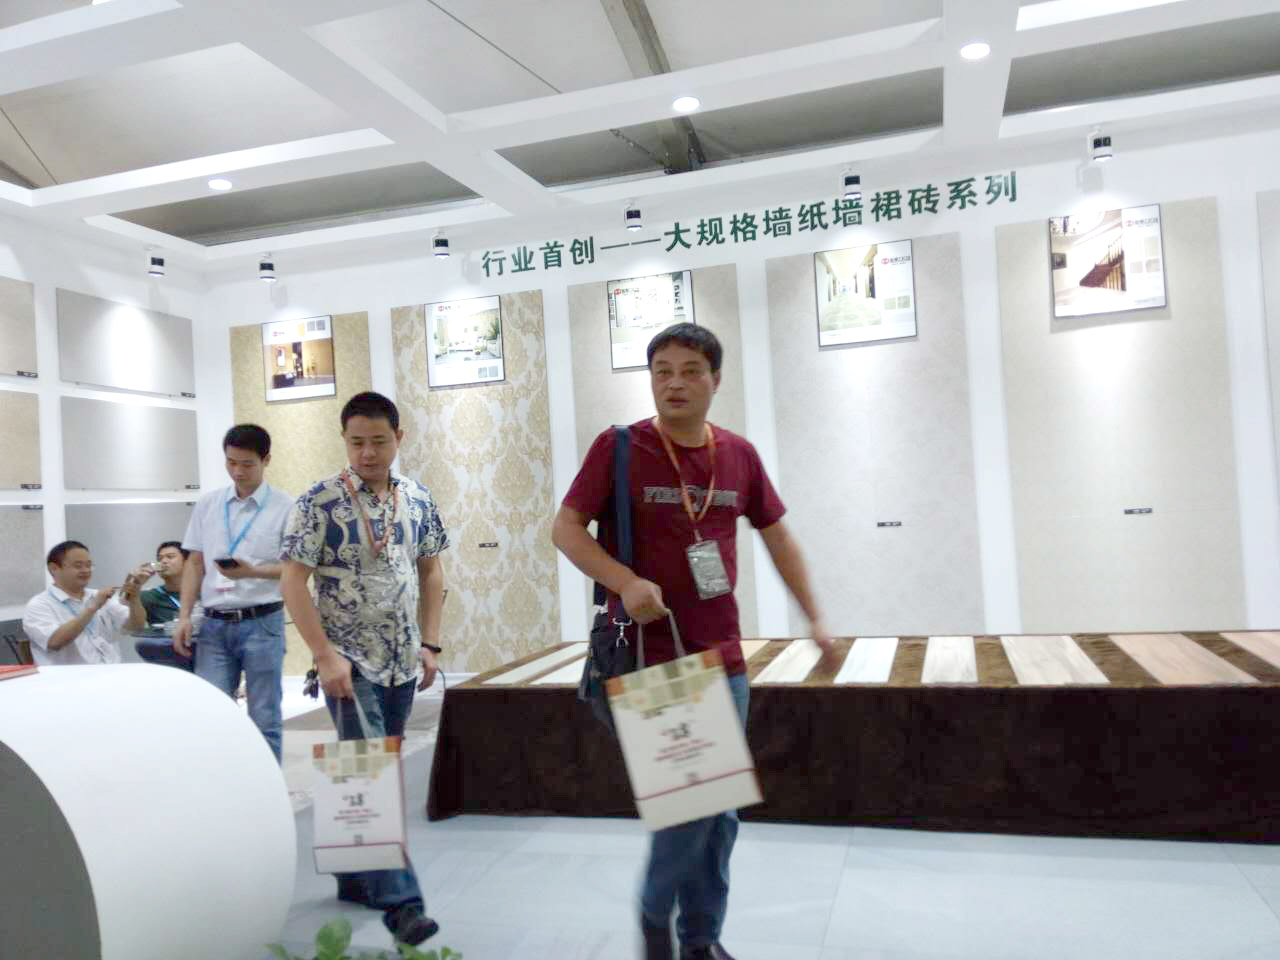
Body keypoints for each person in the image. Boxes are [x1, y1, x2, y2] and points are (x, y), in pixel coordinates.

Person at [551, 323, 835, 960]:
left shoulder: (738, 455)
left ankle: (701, 939)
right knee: (693, 803)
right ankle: (657, 918)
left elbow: (779, 537)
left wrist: (815, 618)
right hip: (653, 657)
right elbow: (565, 528)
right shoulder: (621, 448)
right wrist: (624, 581)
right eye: (662, 371)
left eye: (690, 371)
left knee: (720, 812)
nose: (674, 383)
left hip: (723, 657)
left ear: (716, 380)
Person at [280, 391, 448, 949]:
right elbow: (292, 582)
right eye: (357, 443)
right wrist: (323, 655)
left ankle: (355, 878)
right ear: (344, 441)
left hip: (403, 659)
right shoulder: (318, 501)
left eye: (379, 441)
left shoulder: (416, 497)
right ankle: (403, 905)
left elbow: (431, 571)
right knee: (370, 773)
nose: (368, 453)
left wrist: (431, 643)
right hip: (349, 661)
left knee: (372, 770)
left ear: (399, 438)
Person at [173, 424, 293, 762]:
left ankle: (267, 788)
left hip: (263, 621)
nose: (238, 471)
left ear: (266, 460)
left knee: (264, 715)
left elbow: (295, 570)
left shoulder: (286, 507)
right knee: (213, 714)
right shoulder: (209, 504)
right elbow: (194, 563)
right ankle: (223, 784)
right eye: (231, 462)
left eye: (247, 464)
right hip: (214, 624)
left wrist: (252, 571)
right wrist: (184, 616)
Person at [22, 540, 146, 666]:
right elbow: (55, 642)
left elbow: (136, 626)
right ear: (54, 568)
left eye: (89, 565)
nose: (86, 570)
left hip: (111, 670)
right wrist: (93, 607)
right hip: (69, 676)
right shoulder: (39, 605)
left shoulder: (97, 595)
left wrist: (135, 599)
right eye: (78, 566)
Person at [133, 541, 195, 670]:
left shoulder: (203, 593)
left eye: (170, 557)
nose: (164, 561)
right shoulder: (149, 596)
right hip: (168, 656)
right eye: (160, 559)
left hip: (203, 650)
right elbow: (133, 626)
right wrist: (136, 585)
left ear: (187, 562)